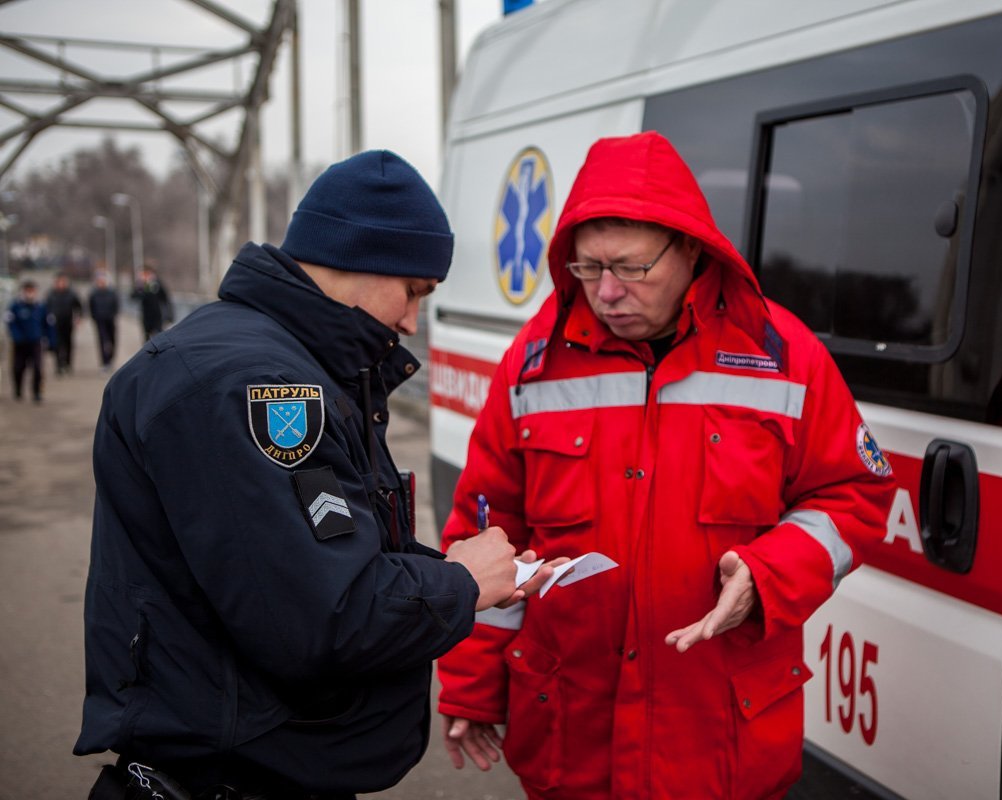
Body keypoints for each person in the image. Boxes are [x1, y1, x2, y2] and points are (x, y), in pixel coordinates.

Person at [76, 150, 560, 800]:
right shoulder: (257, 385)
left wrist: (462, 571)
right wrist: (459, 583)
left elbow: (314, 557)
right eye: (414, 292)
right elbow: (322, 617)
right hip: (234, 775)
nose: (411, 322)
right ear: (362, 258)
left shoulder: (272, 360)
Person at [437, 131, 896, 799]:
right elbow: (486, 529)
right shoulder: (533, 364)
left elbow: (854, 494)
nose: (607, 292)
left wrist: (768, 575)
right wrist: (472, 684)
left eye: (631, 268)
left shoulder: (782, 356)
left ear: (690, 248)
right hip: (574, 739)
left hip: (720, 742)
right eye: (588, 268)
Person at [5, 279, 49, 402]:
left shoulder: (40, 306)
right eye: (27, 291)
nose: (30, 293)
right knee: (18, 368)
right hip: (20, 343)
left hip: (36, 342)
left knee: (38, 368)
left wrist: (50, 340)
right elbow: (10, 322)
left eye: (32, 291)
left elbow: (47, 324)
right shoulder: (15, 306)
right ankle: (18, 389)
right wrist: (16, 336)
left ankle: (37, 392)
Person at [45, 272, 83, 374]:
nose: (61, 284)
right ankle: (58, 365)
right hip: (55, 323)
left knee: (68, 343)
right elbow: (46, 308)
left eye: (63, 281)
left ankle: (67, 364)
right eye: (59, 282)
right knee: (57, 344)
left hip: (68, 322)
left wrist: (78, 317)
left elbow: (79, 306)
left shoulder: (71, 294)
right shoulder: (51, 294)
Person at [131, 263, 172, 340]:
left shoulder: (157, 283)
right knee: (147, 337)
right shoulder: (141, 285)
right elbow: (133, 296)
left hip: (157, 315)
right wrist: (140, 287)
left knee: (159, 336)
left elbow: (165, 298)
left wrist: (169, 314)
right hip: (146, 315)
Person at [88, 270, 119, 370]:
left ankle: (111, 358)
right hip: (99, 320)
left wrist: (114, 314)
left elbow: (116, 304)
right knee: (102, 340)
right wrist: (94, 316)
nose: (101, 283)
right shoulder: (94, 294)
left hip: (110, 319)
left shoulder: (112, 293)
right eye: (99, 281)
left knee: (112, 340)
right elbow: (90, 306)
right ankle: (105, 362)